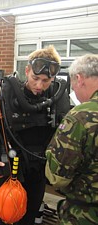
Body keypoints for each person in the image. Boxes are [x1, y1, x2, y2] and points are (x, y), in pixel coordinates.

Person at [0, 45, 71, 225]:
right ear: (27, 71)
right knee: (4, 219)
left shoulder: (58, 100)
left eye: (46, 80)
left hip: (38, 172)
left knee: (29, 218)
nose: (39, 85)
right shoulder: (8, 98)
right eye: (35, 78)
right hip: (9, 169)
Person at [45, 54, 98, 225]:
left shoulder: (80, 116)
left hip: (86, 213)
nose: (74, 91)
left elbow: (57, 177)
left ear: (79, 78)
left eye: (73, 87)